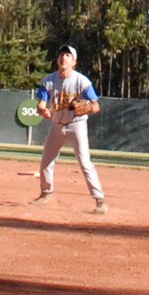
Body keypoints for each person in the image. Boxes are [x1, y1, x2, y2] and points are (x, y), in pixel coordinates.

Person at [33, 44, 105, 213]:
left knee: (85, 163)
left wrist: (86, 107)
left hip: (76, 126)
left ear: (74, 62)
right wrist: (42, 110)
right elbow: (41, 104)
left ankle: (99, 199)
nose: (63, 57)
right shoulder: (48, 81)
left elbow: (96, 107)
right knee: (46, 162)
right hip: (57, 126)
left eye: (68, 55)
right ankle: (46, 192)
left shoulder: (82, 81)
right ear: (57, 60)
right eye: (61, 55)